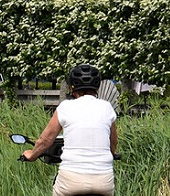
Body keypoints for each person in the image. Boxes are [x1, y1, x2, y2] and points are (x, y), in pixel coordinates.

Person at [22, 64, 119, 196]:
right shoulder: (107, 107)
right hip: (103, 180)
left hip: (72, 179)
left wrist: (32, 155)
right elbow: (113, 141)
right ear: (97, 87)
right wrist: (112, 154)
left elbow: (45, 140)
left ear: (72, 88)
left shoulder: (65, 107)